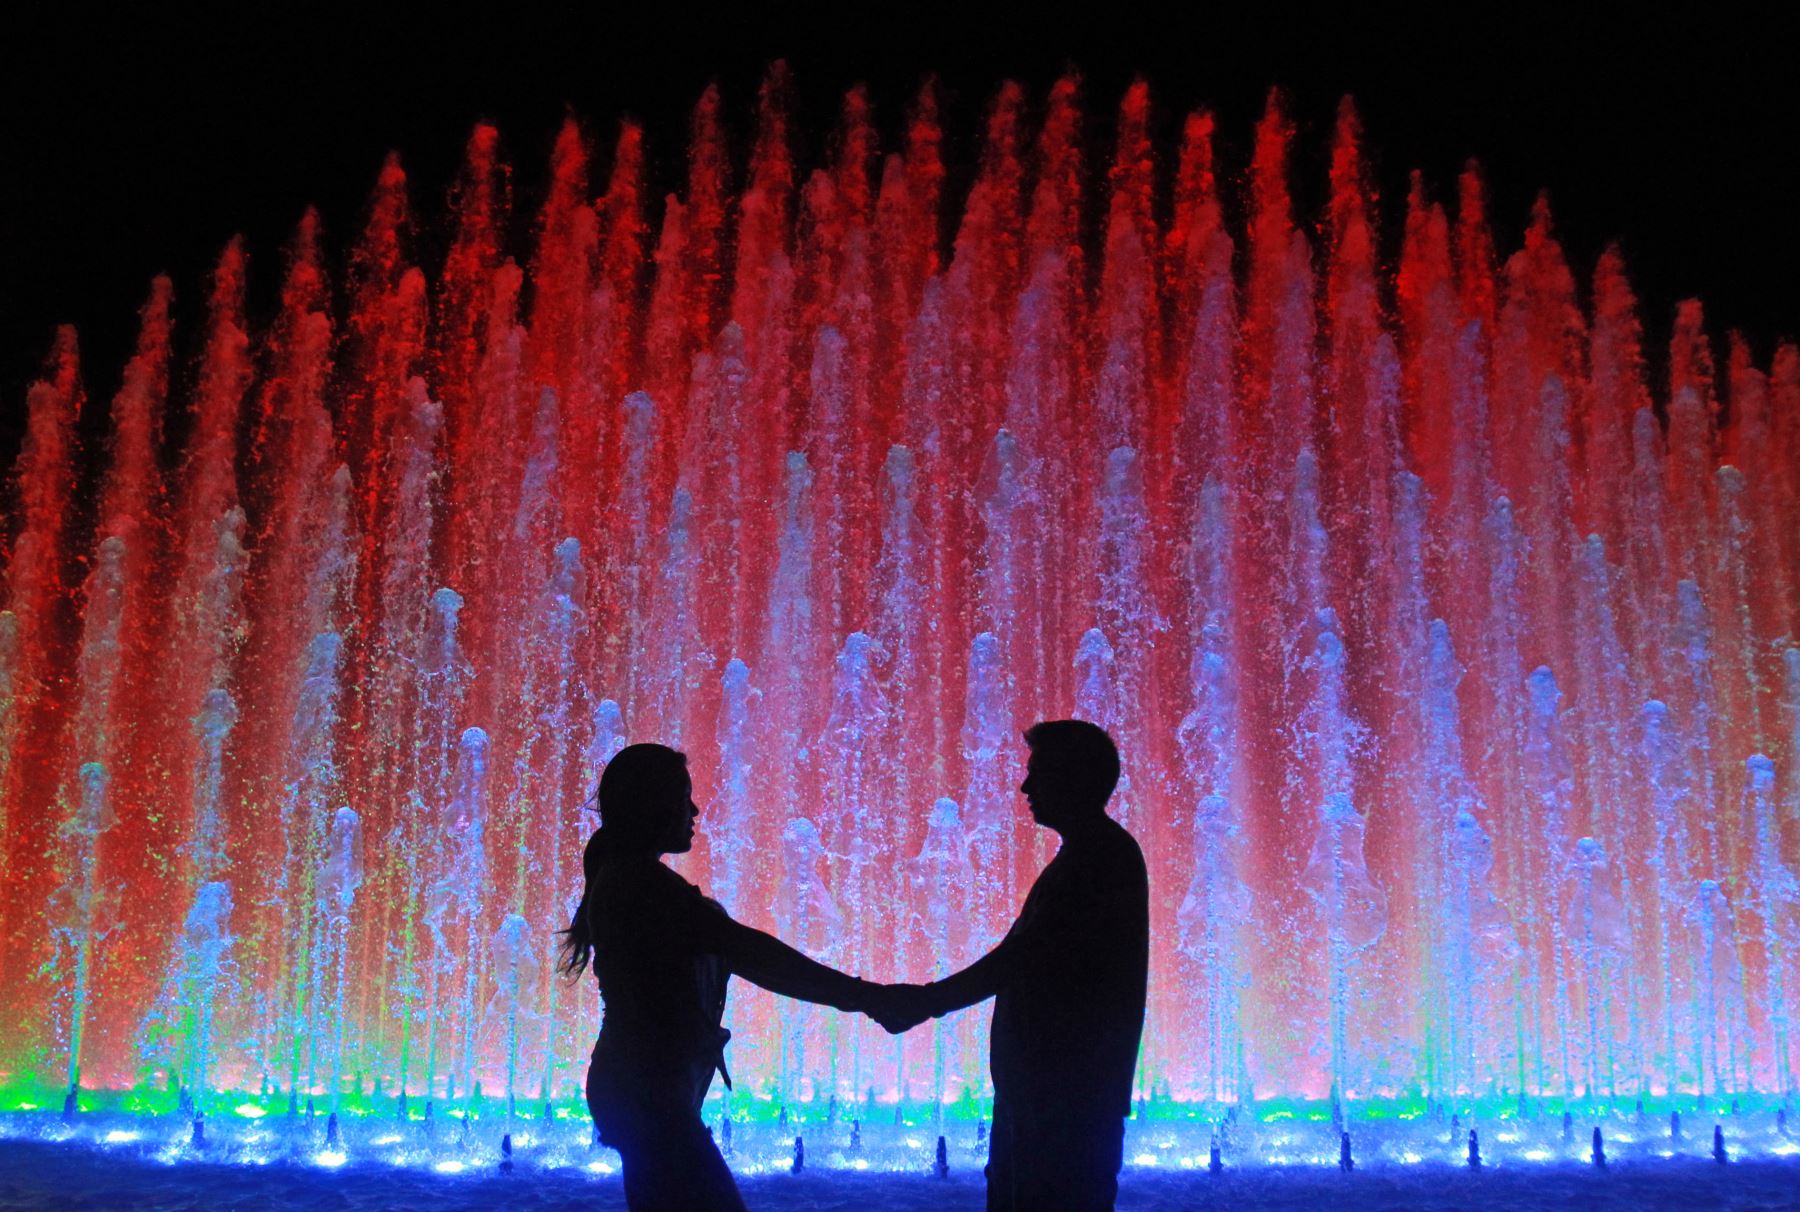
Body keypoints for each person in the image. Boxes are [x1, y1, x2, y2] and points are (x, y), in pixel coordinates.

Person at [560, 743, 881, 1211]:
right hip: (647, 1095)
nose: (693, 809)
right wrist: (870, 997)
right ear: (651, 804)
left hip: (643, 1089)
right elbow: (751, 952)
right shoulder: (641, 885)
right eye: (682, 796)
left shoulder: (628, 878)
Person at [872, 720, 1149, 1211]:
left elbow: (1019, 960)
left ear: (1074, 778)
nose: (1025, 786)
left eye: (1037, 772)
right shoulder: (1089, 857)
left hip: (1064, 1100)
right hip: (1053, 1094)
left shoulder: (1098, 861)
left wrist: (925, 1002)